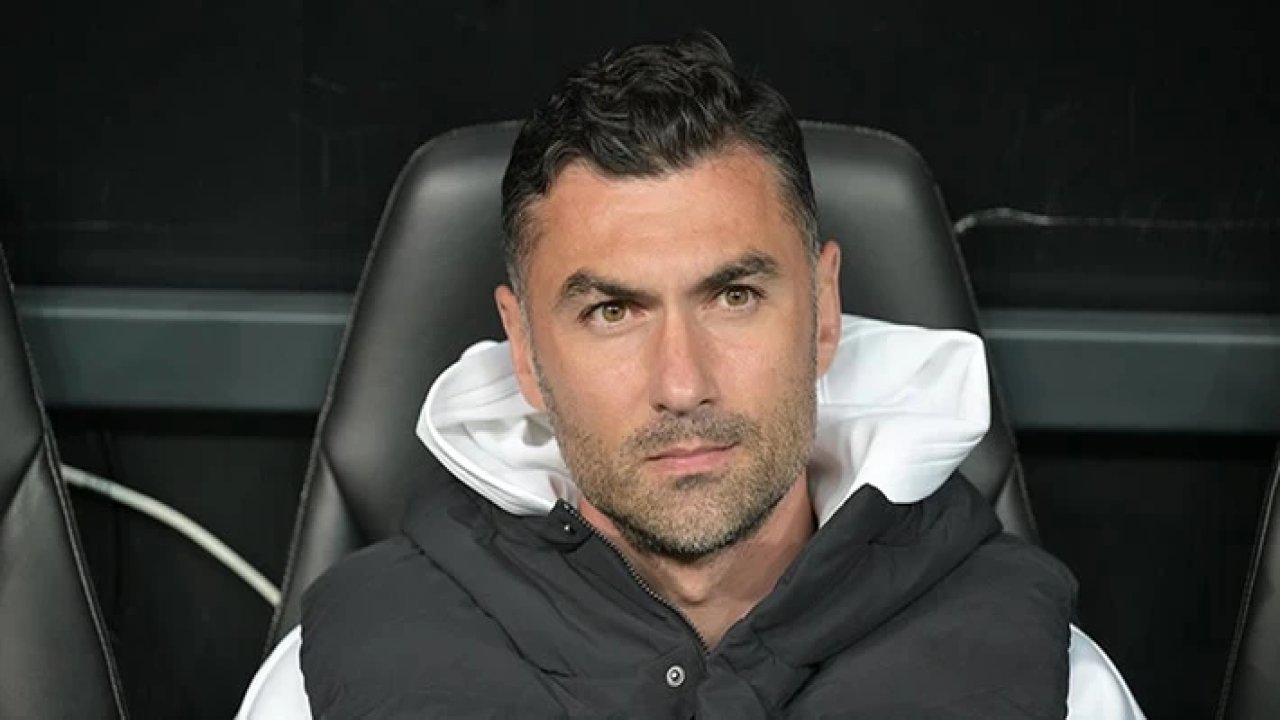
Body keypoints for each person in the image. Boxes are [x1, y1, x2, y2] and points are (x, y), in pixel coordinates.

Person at [238, 33, 1144, 719]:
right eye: (612, 312)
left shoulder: (1047, 681)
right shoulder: (333, 682)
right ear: (523, 350)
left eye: (735, 296)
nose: (682, 383)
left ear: (825, 310)